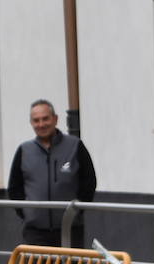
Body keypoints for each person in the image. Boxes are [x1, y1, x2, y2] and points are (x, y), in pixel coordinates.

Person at [6, 99, 97, 248]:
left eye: (45, 118)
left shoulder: (75, 146)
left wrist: (77, 211)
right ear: (31, 123)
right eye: (36, 120)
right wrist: (27, 213)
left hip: (70, 230)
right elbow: (14, 187)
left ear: (55, 119)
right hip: (35, 233)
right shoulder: (24, 150)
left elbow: (89, 181)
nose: (41, 124)